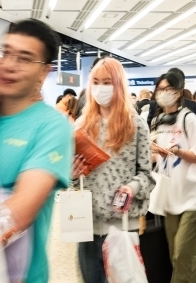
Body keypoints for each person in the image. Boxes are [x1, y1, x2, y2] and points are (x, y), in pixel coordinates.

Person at [0, 19, 73, 283]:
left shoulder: (52, 125)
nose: (9, 64)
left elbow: (16, 215)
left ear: (44, 72)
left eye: (24, 58)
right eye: (6, 53)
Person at [72, 58, 154, 283]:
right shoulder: (81, 125)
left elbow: (147, 175)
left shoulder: (135, 125)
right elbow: (73, 178)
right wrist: (72, 174)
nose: (100, 88)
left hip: (123, 224)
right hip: (87, 224)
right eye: (96, 82)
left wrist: (131, 187)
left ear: (118, 85)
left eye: (107, 82)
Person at [150, 71, 196, 283]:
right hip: (170, 195)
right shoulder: (157, 121)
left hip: (194, 196)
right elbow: (156, 159)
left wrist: (179, 152)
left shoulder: (188, 118)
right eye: (160, 89)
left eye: (169, 89)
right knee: (180, 258)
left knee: (182, 255)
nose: (164, 93)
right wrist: (152, 152)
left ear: (178, 92)